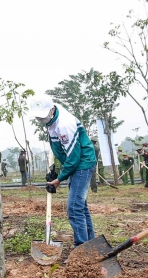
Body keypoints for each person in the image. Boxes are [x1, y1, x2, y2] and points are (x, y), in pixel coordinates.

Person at [30, 98, 98, 246]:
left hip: (82, 163)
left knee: (74, 207)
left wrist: (60, 178)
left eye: (42, 115)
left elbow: (74, 157)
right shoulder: (52, 119)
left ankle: (81, 249)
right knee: (80, 206)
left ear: (52, 110)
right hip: (75, 162)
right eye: (37, 116)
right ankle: (91, 245)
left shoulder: (65, 124)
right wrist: (56, 170)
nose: (40, 119)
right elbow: (60, 150)